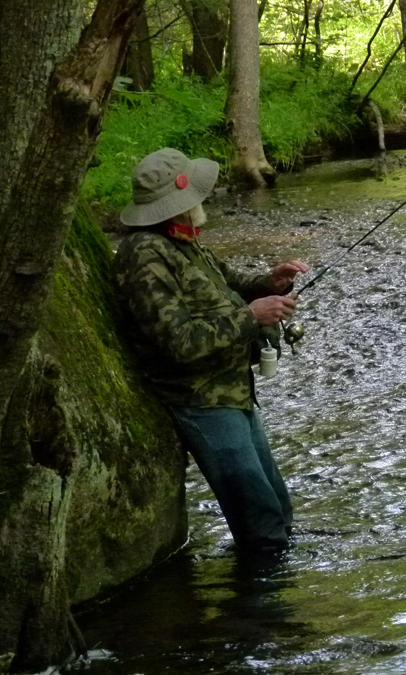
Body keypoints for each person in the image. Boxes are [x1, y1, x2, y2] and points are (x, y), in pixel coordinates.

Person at [114, 148, 309, 553]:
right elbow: (178, 343)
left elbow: (229, 283)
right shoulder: (145, 255)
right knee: (261, 524)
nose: (201, 201)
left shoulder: (182, 240)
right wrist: (251, 317)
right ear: (178, 203)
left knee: (278, 510)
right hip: (201, 401)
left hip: (233, 391)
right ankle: (264, 609)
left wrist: (271, 283)